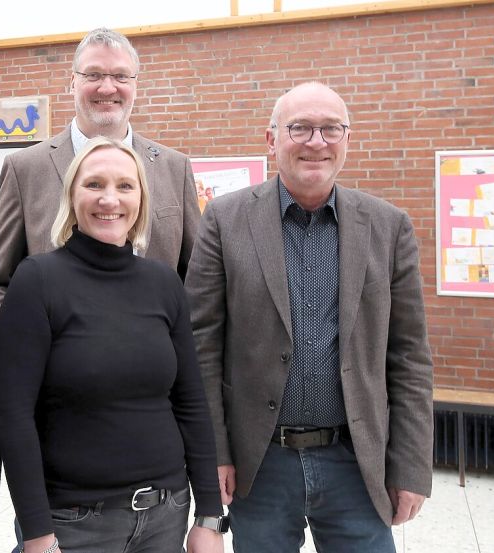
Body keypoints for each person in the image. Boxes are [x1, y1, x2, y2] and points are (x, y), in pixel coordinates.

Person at [185, 82, 434, 552]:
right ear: (271, 138)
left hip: (356, 463)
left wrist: (411, 466)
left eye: (330, 129)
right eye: (299, 127)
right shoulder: (224, 219)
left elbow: (410, 356)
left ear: (347, 140)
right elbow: (201, 348)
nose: (315, 141)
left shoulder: (388, 226)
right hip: (260, 463)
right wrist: (212, 455)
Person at [0, 136, 226, 553]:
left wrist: (208, 515)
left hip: (166, 516)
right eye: (94, 184)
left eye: (125, 186)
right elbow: (12, 414)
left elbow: (191, 400)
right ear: (71, 196)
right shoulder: (38, 281)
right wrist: (37, 532)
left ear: (141, 199)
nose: (109, 199)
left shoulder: (163, 284)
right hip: (75, 524)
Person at [0, 27, 200, 302]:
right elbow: (0, 282)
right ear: (72, 83)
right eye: (93, 75)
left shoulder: (176, 169)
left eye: (120, 76)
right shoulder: (25, 169)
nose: (107, 87)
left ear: (135, 85)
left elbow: (197, 282)